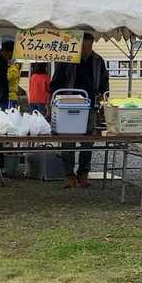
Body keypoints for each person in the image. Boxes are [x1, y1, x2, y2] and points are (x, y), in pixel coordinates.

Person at [51, 33, 110, 188]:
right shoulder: (67, 58)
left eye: (88, 47)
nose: (85, 50)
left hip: (90, 105)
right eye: (83, 47)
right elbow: (56, 81)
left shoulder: (98, 60)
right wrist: (56, 99)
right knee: (67, 140)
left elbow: (104, 81)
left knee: (88, 140)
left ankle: (83, 174)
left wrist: (103, 95)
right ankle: (68, 175)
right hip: (68, 105)